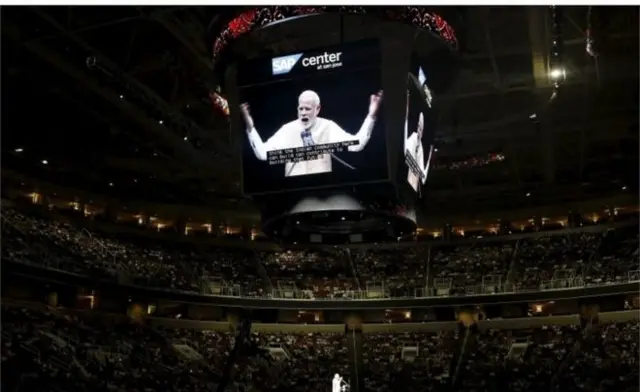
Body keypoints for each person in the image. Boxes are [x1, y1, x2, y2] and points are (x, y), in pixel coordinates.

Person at [240, 89, 383, 177]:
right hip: (294, 191)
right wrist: (250, 128)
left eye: (307, 109)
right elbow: (263, 154)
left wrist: (371, 116)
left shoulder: (328, 126)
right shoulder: (287, 130)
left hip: (323, 193)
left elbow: (356, 145)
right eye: (300, 109)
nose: (303, 113)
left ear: (317, 109)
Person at [404, 111, 432, 192]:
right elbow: (405, 153)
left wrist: (429, 158)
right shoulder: (412, 138)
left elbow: (422, 174)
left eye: (421, 129)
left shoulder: (421, 147)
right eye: (419, 128)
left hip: (414, 184)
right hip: (408, 176)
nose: (419, 131)